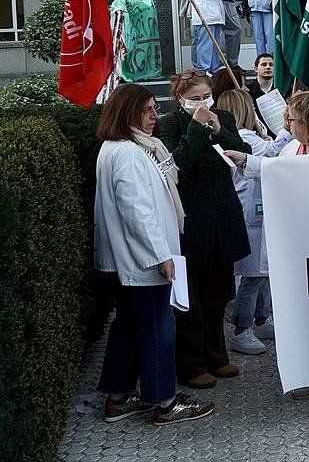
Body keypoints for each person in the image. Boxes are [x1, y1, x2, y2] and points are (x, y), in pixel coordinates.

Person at [223, 92, 309, 415]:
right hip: (303, 249)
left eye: (293, 121)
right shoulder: (292, 147)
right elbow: (277, 169)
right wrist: (246, 161)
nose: (287, 125)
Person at [93, 84, 215, 426]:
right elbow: (138, 211)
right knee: (158, 330)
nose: (153, 116)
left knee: (130, 327)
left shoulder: (122, 148)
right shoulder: (129, 154)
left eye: (153, 109)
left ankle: (118, 397)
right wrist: (161, 256)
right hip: (144, 261)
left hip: (133, 260)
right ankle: (165, 402)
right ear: (127, 113)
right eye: (146, 110)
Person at [157, 70, 252, 390]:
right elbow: (177, 164)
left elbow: (242, 152)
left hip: (222, 214)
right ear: (180, 99)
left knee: (219, 293)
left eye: (205, 96)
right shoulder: (169, 124)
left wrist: (219, 129)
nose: (202, 103)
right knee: (192, 298)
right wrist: (197, 128)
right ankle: (191, 363)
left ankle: (217, 355)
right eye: (194, 98)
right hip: (191, 219)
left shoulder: (222, 115)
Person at [216, 90, 286, 357]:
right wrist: (284, 132)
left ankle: (260, 319)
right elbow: (270, 155)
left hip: (259, 210)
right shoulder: (244, 138)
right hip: (249, 213)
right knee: (253, 274)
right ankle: (241, 329)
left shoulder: (249, 135)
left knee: (264, 272)